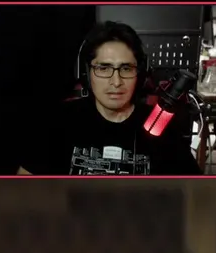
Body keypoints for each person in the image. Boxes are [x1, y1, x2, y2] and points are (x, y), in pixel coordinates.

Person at [17, 21, 203, 176]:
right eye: (104, 68)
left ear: (140, 74)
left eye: (126, 69)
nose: (116, 82)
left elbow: (195, 195)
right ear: (86, 73)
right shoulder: (58, 121)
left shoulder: (160, 124)